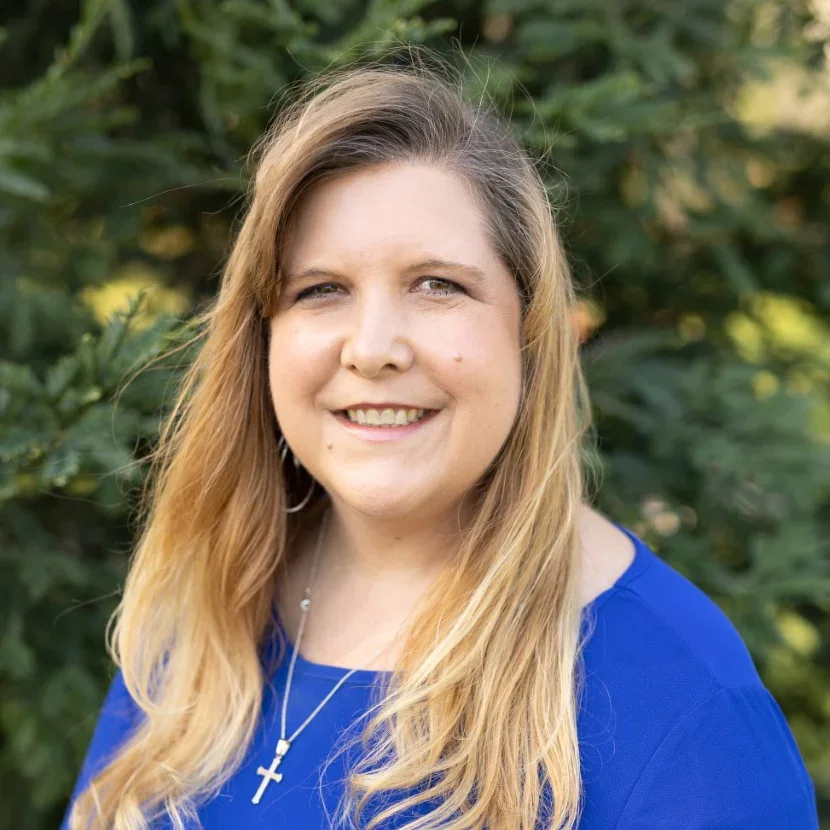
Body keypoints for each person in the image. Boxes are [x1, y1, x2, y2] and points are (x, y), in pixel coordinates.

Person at [61, 54, 819, 830]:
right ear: (263, 338)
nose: (373, 347)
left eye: (438, 286)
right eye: (320, 289)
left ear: (526, 334)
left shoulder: (680, 701)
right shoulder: (210, 604)